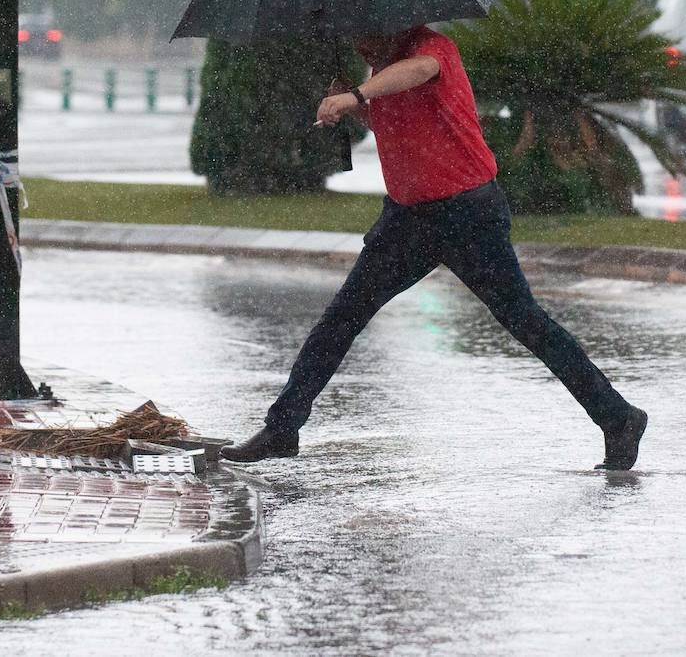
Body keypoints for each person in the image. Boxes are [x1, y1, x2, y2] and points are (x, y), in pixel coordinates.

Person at [221, 25, 647, 470]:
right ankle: (282, 429)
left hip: (467, 212)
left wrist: (357, 96)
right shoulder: (380, 68)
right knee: (341, 318)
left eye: (367, 35)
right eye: (353, 39)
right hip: (407, 218)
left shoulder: (431, 49)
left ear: (393, 23)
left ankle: (618, 417)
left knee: (526, 321)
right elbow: (399, 118)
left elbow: (420, 71)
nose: (360, 45)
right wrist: (355, 107)